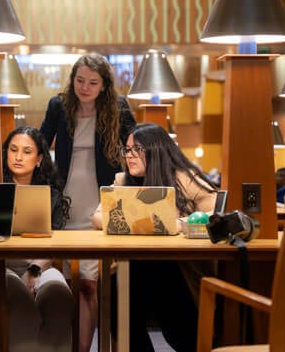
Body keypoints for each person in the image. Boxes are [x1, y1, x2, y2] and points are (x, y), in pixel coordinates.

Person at [40, 52, 136, 352]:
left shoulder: (118, 107)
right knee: (72, 282)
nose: (85, 87)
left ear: (104, 85)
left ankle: (82, 349)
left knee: (89, 283)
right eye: (80, 80)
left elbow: (137, 142)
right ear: (73, 80)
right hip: (66, 199)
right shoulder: (58, 105)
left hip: (100, 202)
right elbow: (41, 143)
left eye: (92, 82)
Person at [92, 123, 217, 352]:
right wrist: (138, 223)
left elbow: (215, 212)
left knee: (159, 282)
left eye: (135, 150)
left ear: (155, 150)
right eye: (126, 150)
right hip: (133, 267)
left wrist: (179, 224)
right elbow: (98, 216)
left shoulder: (183, 178)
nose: (129, 156)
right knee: (115, 284)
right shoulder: (122, 181)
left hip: (176, 267)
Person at [2, 126, 74, 352]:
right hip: (1, 265)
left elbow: (56, 244)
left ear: (39, 159)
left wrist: (34, 270)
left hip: (41, 263)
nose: (18, 157)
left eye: (26, 151)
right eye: (13, 150)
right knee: (21, 300)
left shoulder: (51, 194)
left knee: (59, 295)